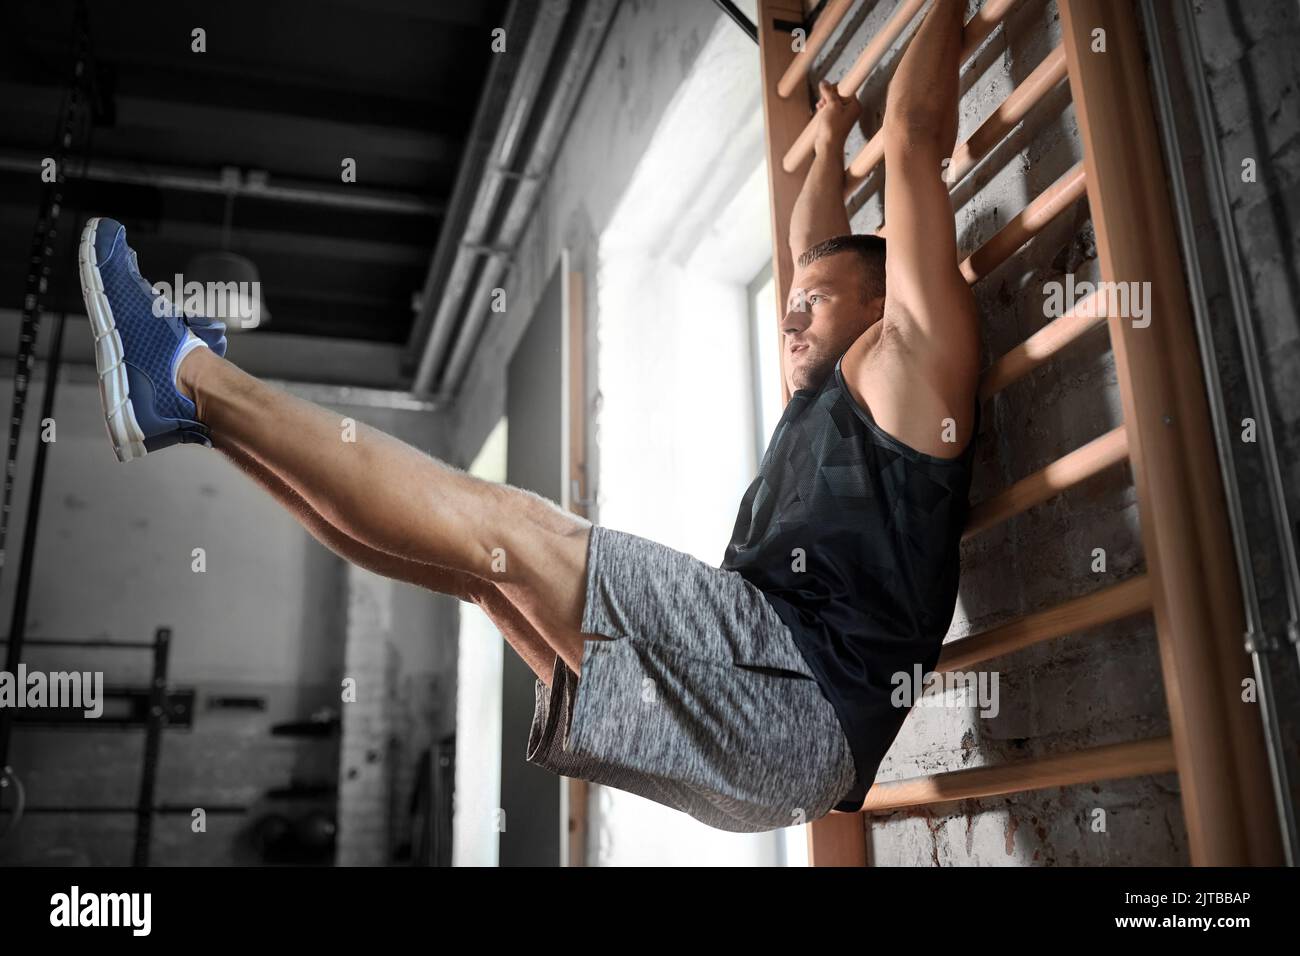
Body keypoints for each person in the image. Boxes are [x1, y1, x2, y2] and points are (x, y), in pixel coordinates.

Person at [75, 0, 978, 834]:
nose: (789, 311)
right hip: (774, 732)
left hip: (796, 697)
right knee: (482, 568)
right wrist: (823, 144)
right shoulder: (825, 397)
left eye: (813, 303)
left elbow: (910, 137)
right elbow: (815, 253)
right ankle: (199, 417)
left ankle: (187, 378)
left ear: (884, 306)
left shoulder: (907, 371)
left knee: (511, 528)